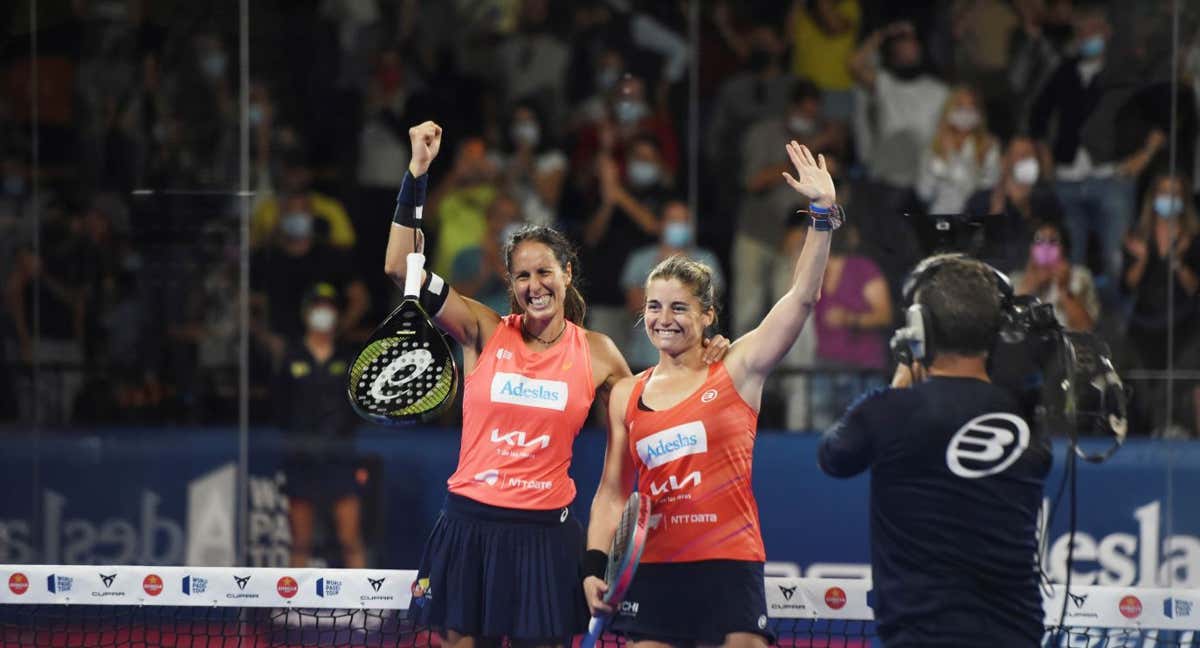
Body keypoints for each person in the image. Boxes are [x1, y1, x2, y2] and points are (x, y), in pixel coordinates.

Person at [385, 121, 728, 645]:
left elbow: (657, 401)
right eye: (522, 276)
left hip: (546, 539)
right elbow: (398, 266)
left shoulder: (597, 354)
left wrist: (706, 356)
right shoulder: (480, 328)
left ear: (567, 272)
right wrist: (417, 173)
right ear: (511, 285)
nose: (534, 285)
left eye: (544, 272)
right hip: (468, 528)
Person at [584, 141, 835, 646]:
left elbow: (802, 297)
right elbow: (613, 491)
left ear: (707, 316)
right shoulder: (626, 396)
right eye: (654, 307)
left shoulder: (739, 368)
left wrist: (823, 215)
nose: (663, 319)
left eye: (679, 308)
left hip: (728, 562)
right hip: (653, 568)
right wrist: (594, 564)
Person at [818, 254, 1052, 647]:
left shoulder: (888, 412)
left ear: (919, 330)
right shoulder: (1022, 418)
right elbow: (1038, 462)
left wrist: (902, 377)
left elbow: (834, 456)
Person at [272, 283, 365, 568]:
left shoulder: (348, 357)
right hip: (301, 457)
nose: (323, 313)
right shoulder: (291, 357)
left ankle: (366, 608)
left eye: (328, 307)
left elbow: (358, 407)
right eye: (317, 307)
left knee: (350, 538)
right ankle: (291, 606)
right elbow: (279, 408)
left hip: (340, 456)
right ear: (307, 313)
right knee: (300, 540)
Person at [1010, 220, 1099, 332]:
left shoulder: (1080, 276)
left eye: (1053, 241)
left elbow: (1086, 328)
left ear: (1064, 248)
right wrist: (1028, 286)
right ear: (1031, 248)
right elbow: (1008, 326)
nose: (1046, 247)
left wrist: (1064, 290)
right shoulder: (1015, 279)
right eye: (1039, 241)